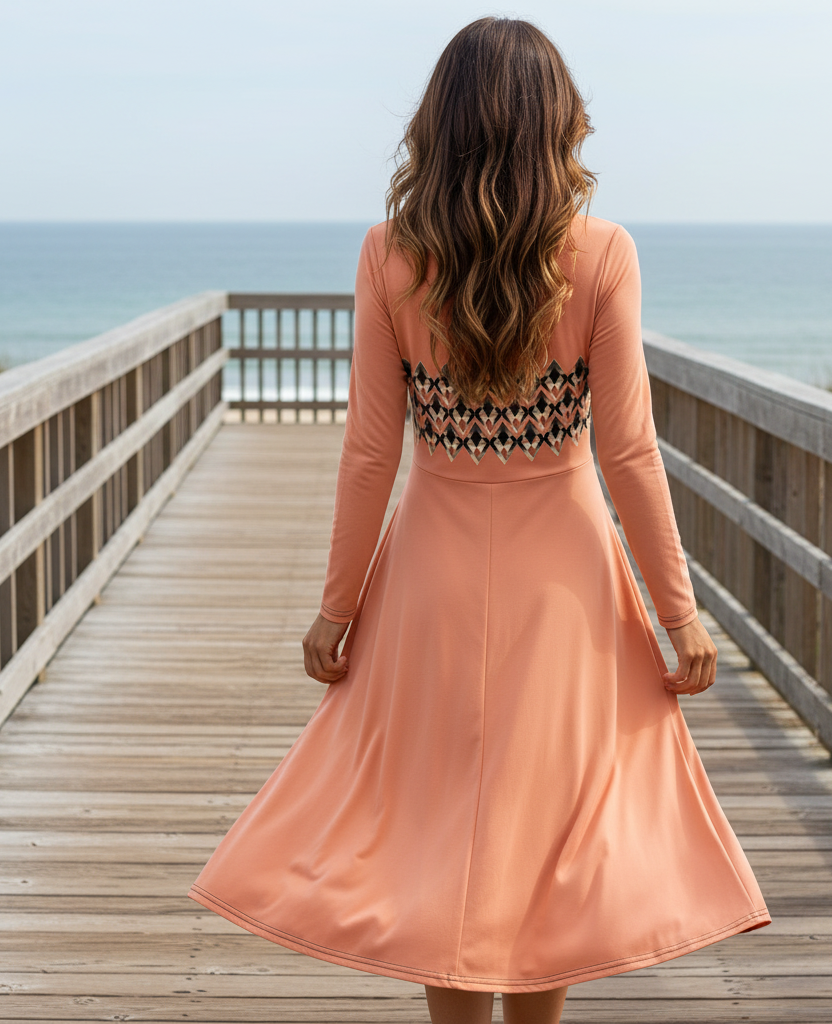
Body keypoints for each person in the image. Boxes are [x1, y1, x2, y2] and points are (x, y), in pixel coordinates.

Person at [188, 16, 770, 1024]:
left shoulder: (387, 256)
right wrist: (678, 615)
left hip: (428, 577)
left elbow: (370, 451)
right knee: (545, 833)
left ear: (441, 126)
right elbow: (629, 453)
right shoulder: (602, 256)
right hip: (569, 582)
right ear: (556, 125)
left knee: (442, 826)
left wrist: (336, 608)